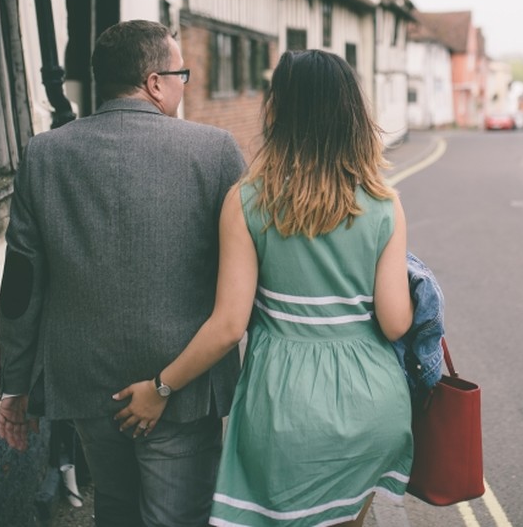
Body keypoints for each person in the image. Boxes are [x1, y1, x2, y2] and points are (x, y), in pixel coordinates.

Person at [113, 49, 415, 527]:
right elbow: (397, 323)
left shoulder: (248, 202)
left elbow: (229, 324)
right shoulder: (384, 204)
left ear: (279, 110)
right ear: (353, 114)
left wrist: (161, 386)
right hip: (371, 406)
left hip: (283, 408)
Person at [0, 20, 246, 527]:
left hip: (87, 385)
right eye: (182, 74)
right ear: (155, 82)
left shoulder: (44, 154)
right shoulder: (216, 152)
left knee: (113, 508)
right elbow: (243, 277)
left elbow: (22, 284)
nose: (183, 84)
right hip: (183, 387)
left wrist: (14, 386)